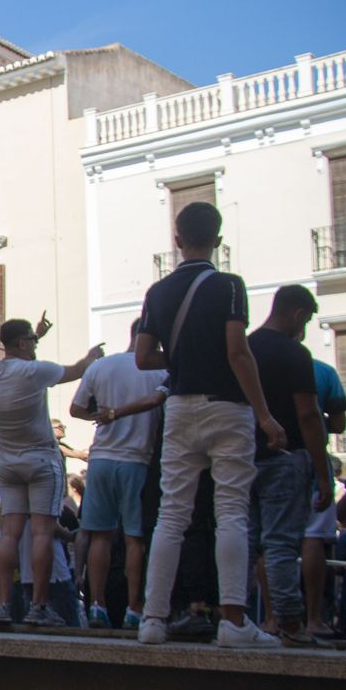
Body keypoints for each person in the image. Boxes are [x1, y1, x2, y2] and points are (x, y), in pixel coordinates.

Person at [135, 201, 286, 647]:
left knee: (171, 515)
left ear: (177, 240)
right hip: (228, 407)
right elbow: (238, 352)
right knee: (231, 513)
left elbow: (144, 357)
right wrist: (264, 414)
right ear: (218, 240)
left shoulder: (158, 292)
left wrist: (182, 360)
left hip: (179, 407)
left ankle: (153, 620)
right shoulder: (229, 286)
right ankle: (233, 622)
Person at [0, 316, 104, 627]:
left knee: (9, 534)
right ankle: (39, 606)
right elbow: (78, 369)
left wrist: (35, 336)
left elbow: (17, 359)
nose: (35, 346)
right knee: (42, 533)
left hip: (8, 463)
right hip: (41, 462)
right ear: (23, 344)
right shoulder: (37, 372)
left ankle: (4, 606)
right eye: (31, 342)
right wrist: (93, 356)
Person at [244, 285, 330, 646]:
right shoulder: (295, 353)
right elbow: (308, 415)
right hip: (285, 456)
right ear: (297, 315)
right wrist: (323, 475)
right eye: (306, 320)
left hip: (243, 457)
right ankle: (290, 623)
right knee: (280, 544)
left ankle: (236, 617)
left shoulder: (243, 348)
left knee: (245, 541)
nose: (305, 328)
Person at [70, 322, 168, 629]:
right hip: (137, 459)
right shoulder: (160, 371)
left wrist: (98, 417)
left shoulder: (102, 366)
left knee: (100, 535)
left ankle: (97, 604)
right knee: (134, 538)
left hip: (100, 459)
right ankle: (133, 607)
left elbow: (74, 409)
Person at [304, 355, 346, 637]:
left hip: (267, 458)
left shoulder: (257, 358)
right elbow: (341, 424)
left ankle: (272, 617)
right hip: (312, 459)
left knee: (270, 540)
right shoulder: (323, 371)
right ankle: (314, 618)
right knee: (314, 537)